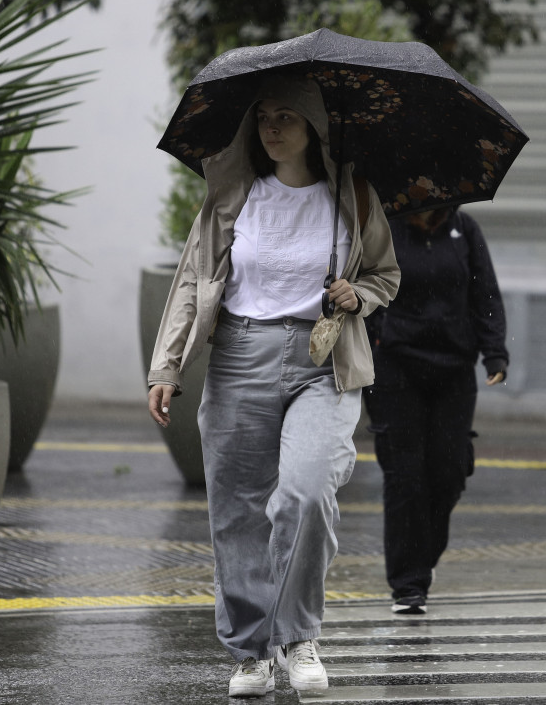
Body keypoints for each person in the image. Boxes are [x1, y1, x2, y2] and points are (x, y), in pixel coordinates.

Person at [146, 74, 399, 698]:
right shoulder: (234, 196)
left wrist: (357, 293)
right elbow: (190, 281)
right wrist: (166, 365)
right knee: (236, 513)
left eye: (287, 116)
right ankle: (251, 653)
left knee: (307, 492)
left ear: (315, 126)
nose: (272, 127)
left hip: (324, 361)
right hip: (239, 356)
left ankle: (298, 634)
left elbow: (386, 275)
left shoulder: (353, 197)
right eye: (263, 116)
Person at [363, 206, 508, 615]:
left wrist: (495, 352)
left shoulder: (464, 229)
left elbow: (485, 292)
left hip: (454, 367)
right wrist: (374, 339)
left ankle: (421, 559)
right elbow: (365, 288)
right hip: (394, 366)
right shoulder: (384, 228)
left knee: (448, 473)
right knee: (404, 474)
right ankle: (408, 585)